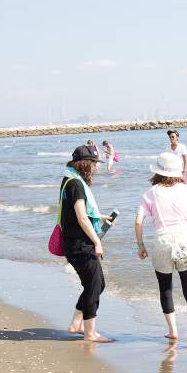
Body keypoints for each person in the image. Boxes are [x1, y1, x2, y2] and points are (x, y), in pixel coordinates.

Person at [135, 152, 187, 346]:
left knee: (165, 289)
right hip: (184, 241)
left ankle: (173, 331)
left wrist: (141, 245)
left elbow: (138, 221)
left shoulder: (150, 193)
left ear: (158, 171)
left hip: (161, 242)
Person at [60, 144, 111, 343]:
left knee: (96, 284)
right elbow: (81, 218)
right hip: (79, 244)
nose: (96, 168)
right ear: (83, 164)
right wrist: (97, 242)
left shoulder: (69, 180)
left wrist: (99, 217)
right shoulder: (76, 185)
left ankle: (76, 324)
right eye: (93, 163)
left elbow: (77, 213)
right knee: (94, 284)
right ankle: (90, 333)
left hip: (73, 243)